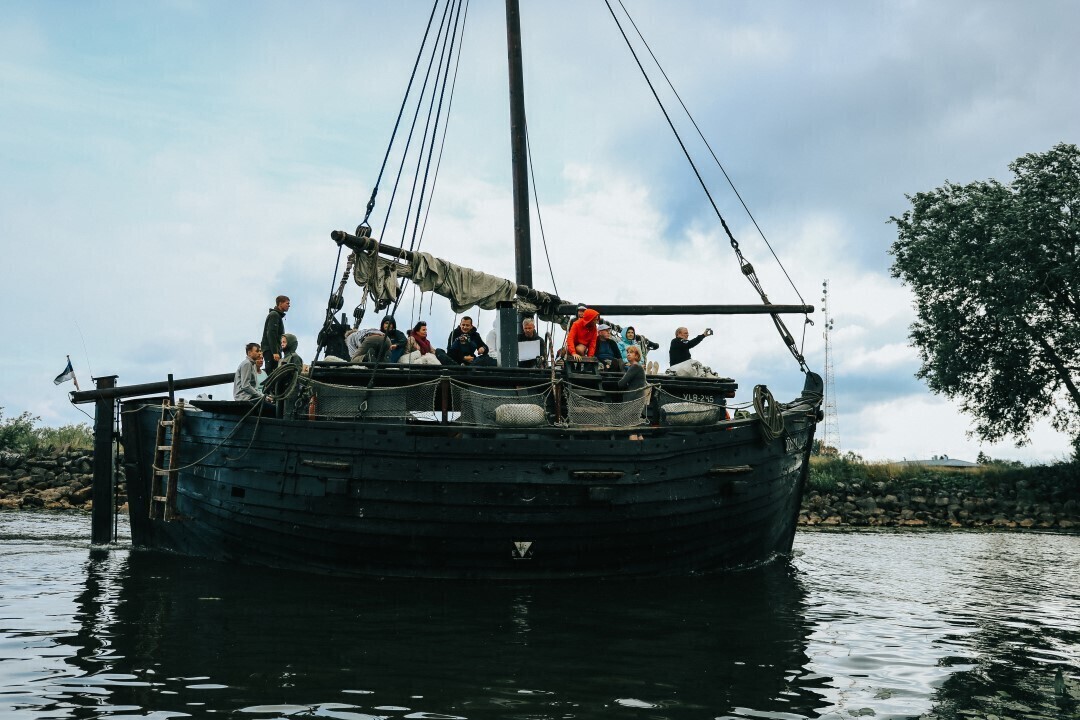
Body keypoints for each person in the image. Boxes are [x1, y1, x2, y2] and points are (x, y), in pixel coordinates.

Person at [261, 295, 290, 374]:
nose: (289, 306)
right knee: (271, 373)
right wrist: (275, 352)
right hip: (271, 350)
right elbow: (271, 333)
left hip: (273, 350)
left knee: (275, 372)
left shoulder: (277, 316)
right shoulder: (274, 315)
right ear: (280, 303)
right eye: (287, 303)